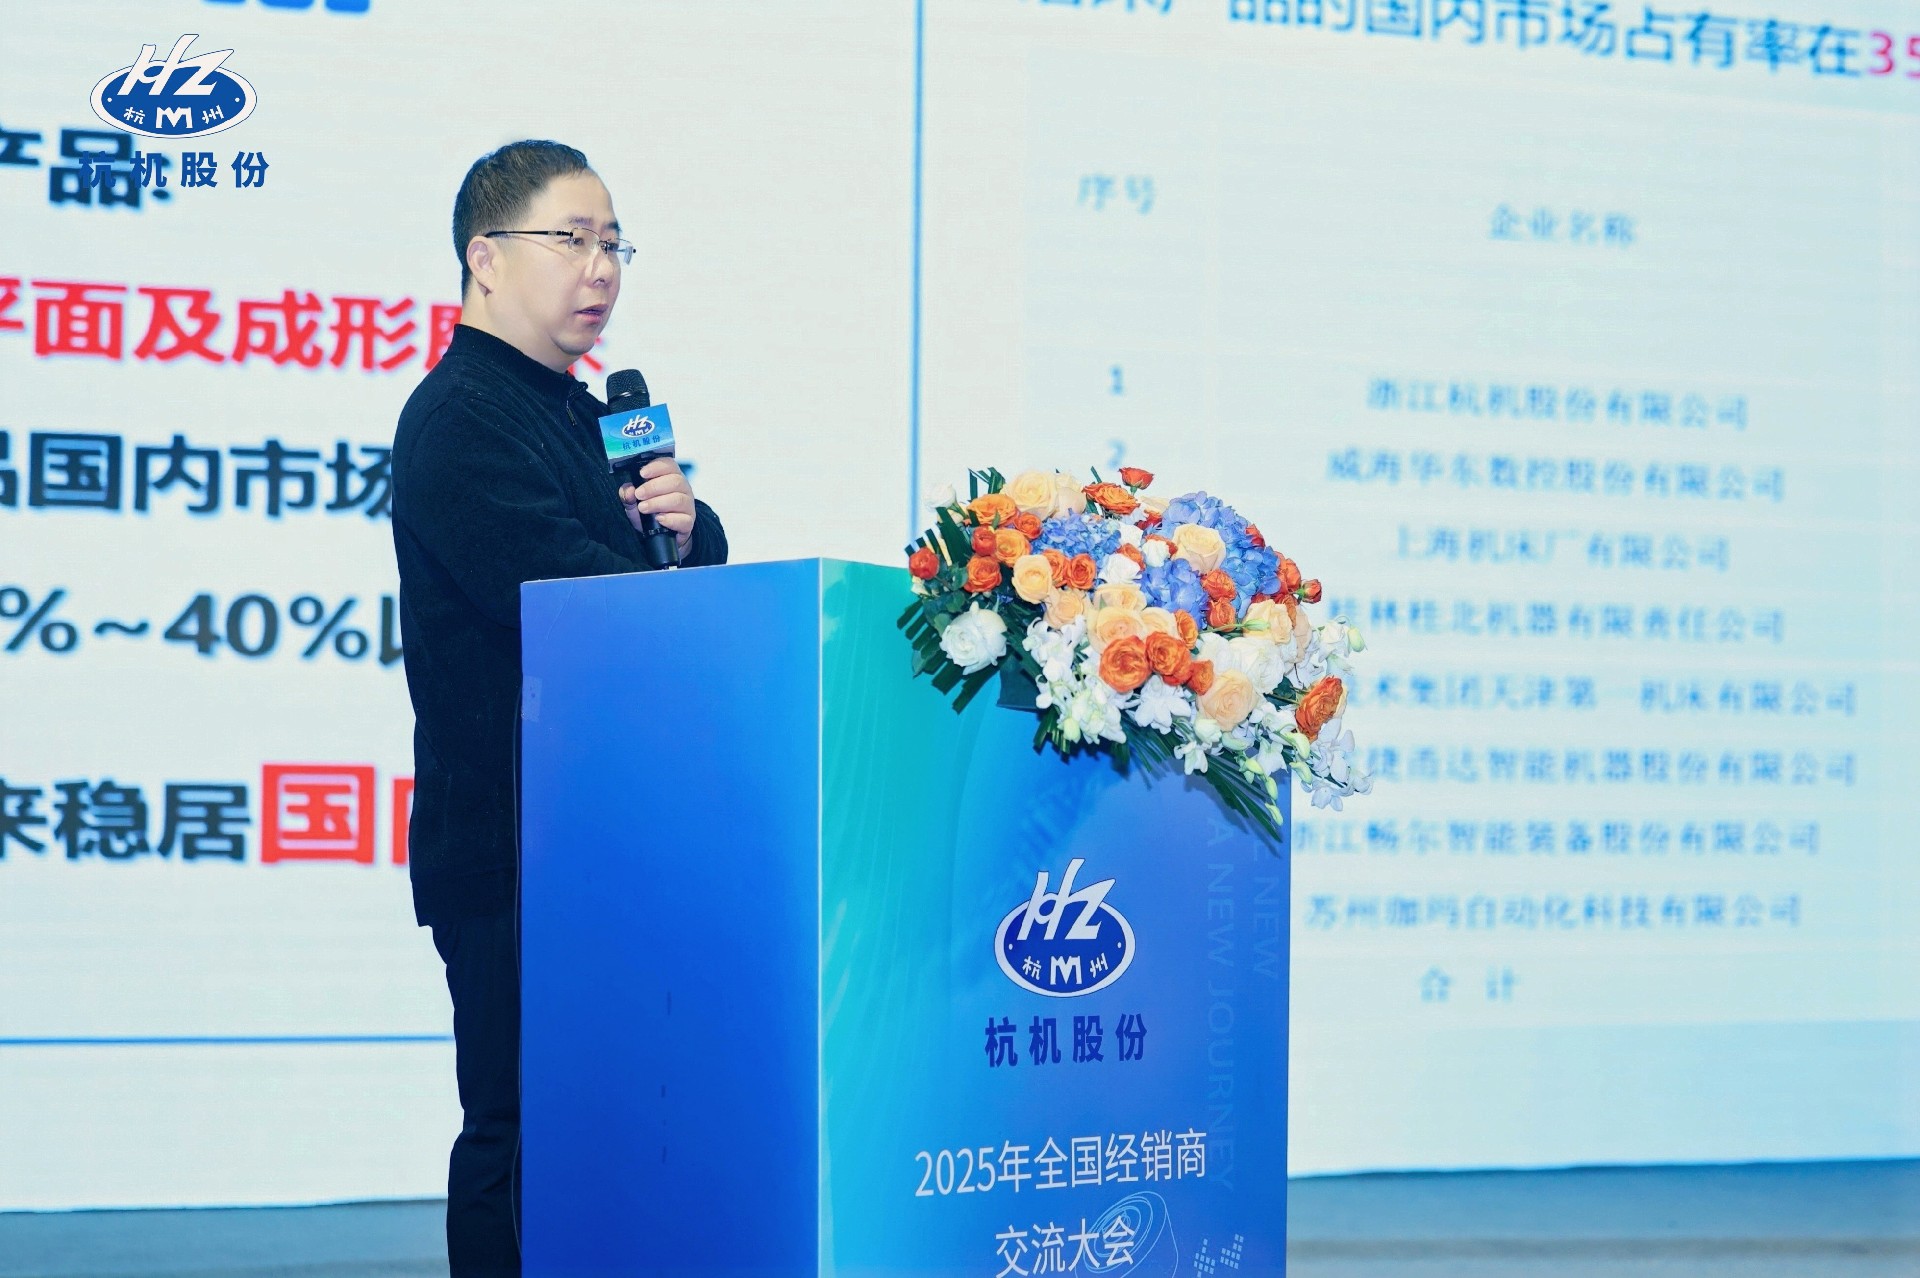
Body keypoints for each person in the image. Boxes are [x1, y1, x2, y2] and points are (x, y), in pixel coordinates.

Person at [389, 139, 727, 1277]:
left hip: (608, 836)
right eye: (572, 240)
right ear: (485, 258)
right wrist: (657, 569)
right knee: (523, 1135)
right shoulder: (461, 417)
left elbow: (663, 578)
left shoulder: (590, 415)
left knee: (615, 1130)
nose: (602, 269)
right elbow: (569, 597)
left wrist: (688, 527)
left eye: (615, 244)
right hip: (515, 846)